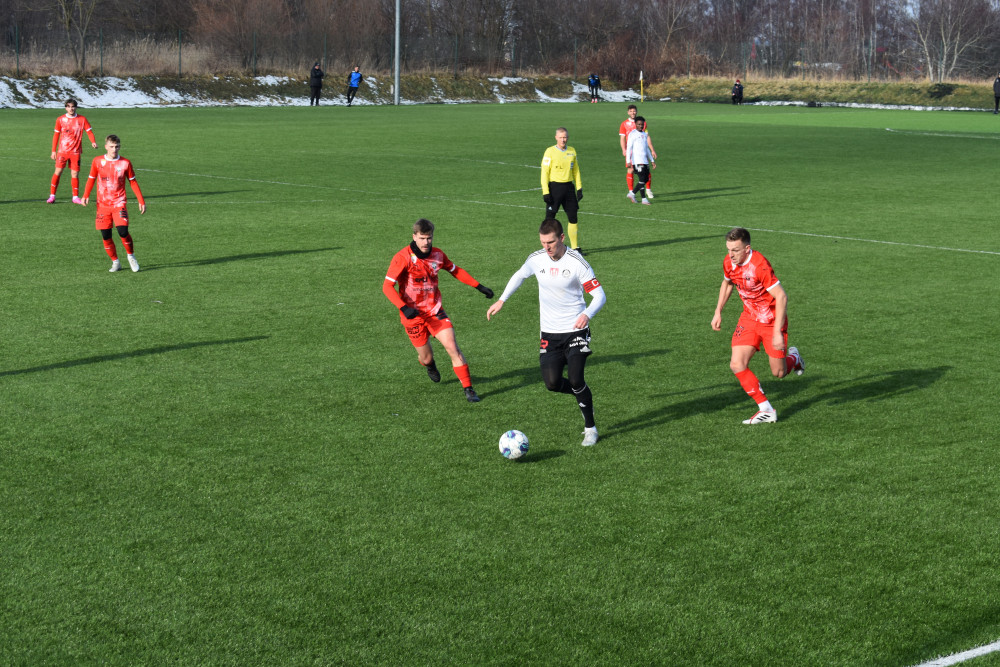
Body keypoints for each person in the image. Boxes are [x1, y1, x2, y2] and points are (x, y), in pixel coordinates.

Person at [487, 218, 606, 446]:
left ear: (561, 238)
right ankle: (582, 394)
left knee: (575, 378)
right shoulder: (536, 258)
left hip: (575, 330)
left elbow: (599, 295)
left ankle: (590, 428)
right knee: (552, 383)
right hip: (549, 334)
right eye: (543, 242)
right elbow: (519, 275)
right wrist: (502, 300)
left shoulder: (577, 263)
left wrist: (587, 314)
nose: (546, 247)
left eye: (550, 242)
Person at [383, 218, 494, 403]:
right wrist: (404, 307)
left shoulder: (438, 255)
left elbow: (455, 270)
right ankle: (430, 364)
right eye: (422, 238)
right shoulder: (402, 257)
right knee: (426, 358)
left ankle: (468, 389)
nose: (426, 242)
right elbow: (387, 286)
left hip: (435, 311)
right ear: (414, 236)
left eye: (429, 238)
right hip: (412, 316)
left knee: (453, 347)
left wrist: (479, 286)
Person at [710, 227, 804, 424]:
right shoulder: (729, 262)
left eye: (735, 250)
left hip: (771, 321)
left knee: (779, 373)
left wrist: (777, 332)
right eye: (728, 249)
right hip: (749, 318)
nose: (731, 255)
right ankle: (766, 409)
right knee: (737, 364)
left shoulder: (760, 266)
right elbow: (727, 283)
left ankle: (794, 358)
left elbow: (781, 296)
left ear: (747, 249)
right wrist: (718, 311)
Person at [81, 135, 146, 273]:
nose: (114, 149)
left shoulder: (125, 163)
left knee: (123, 232)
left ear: (119, 147)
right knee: (106, 235)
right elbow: (91, 178)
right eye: (111, 147)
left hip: (119, 203)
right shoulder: (97, 161)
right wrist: (85, 195)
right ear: (106, 147)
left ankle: (131, 256)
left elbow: (133, 182)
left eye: (116, 147)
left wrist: (141, 200)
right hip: (102, 205)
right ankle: (115, 262)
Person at [541, 127, 584, 253]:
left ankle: (575, 248)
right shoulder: (549, 151)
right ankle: (546, 246)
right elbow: (544, 172)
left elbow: (576, 170)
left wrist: (579, 187)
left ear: (568, 138)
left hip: (569, 188)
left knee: (573, 216)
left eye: (565, 137)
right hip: (554, 188)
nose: (563, 140)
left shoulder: (572, 151)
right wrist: (545, 191)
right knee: (549, 219)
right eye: (560, 137)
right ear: (556, 138)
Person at [47, 98, 97, 204]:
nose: (71, 109)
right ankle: (52, 196)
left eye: (73, 106)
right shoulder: (60, 119)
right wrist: (53, 151)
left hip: (75, 152)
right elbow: (56, 135)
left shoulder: (82, 119)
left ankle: (75, 197)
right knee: (58, 172)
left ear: (76, 107)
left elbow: (89, 131)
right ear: (66, 108)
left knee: (75, 174)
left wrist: (93, 142)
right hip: (62, 151)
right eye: (69, 106)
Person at [618, 104, 654, 199]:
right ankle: (631, 191)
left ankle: (648, 190)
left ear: (636, 111)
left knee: (646, 169)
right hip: (631, 151)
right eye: (631, 111)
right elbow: (622, 138)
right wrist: (623, 149)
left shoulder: (642, 122)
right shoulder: (624, 124)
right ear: (628, 112)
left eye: (634, 111)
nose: (633, 113)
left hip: (642, 150)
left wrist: (652, 149)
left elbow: (647, 137)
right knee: (630, 169)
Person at [625, 116, 657, 205]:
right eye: (639, 124)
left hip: (645, 161)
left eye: (642, 124)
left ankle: (633, 194)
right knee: (642, 179)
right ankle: (642, 198)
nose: (640, 126)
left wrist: (652, 160)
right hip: (637, 161)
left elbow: (646, 148)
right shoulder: (632, 134)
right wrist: (628, 161)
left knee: (645, 179)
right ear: (635, 124)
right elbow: (629, 148)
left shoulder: (644, 134)